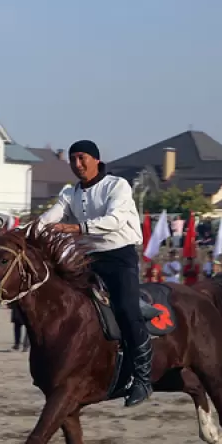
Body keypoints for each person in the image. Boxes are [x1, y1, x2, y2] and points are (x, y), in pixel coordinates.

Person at [40, 139, 151, 406]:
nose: (77, 164)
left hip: (120, 256)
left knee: (126, 310)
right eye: (73, 160)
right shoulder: (70, 194)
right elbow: (48, 218)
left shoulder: (117, 185)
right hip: (87, 259)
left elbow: (115, 220)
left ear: (96, 160)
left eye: (82, 158)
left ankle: (143, 379)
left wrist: (73, 229)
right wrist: (25, 232)